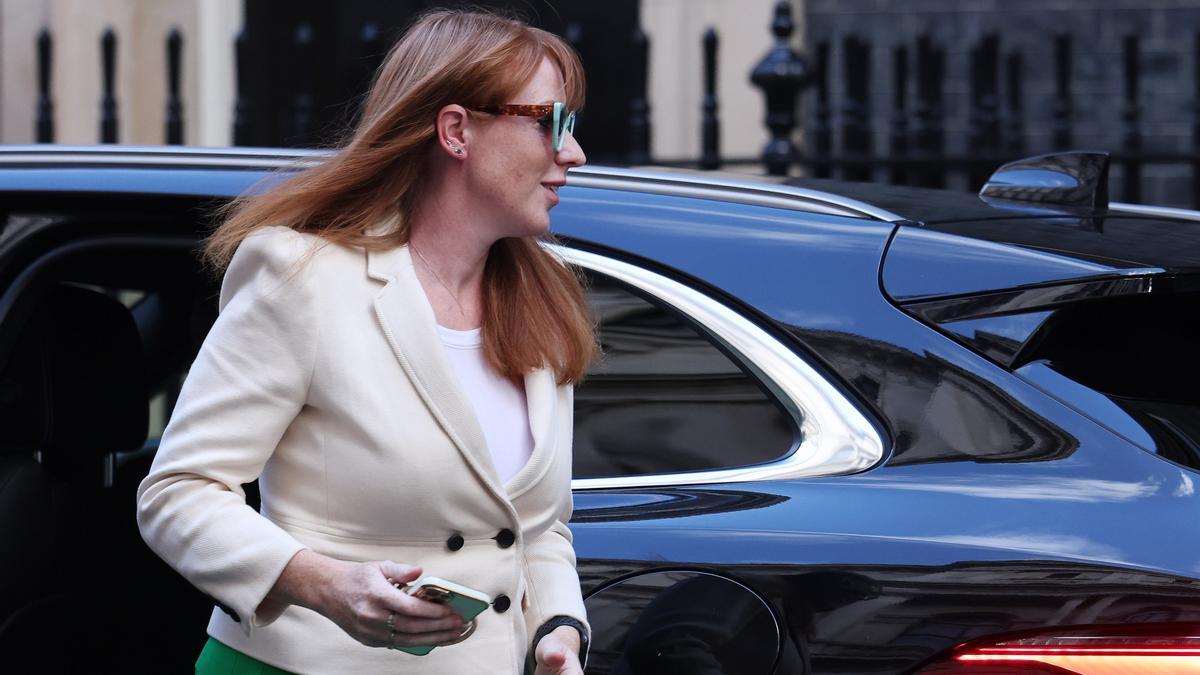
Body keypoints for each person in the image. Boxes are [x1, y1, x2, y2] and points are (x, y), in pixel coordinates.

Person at [136, 9, 596, 674]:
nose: (572, 151)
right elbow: (178, 490)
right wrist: (324, 584)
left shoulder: (545, 296)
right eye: (552, 121)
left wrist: (558, 628)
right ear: (457, 130)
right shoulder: (303, 277)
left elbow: (537, 524)